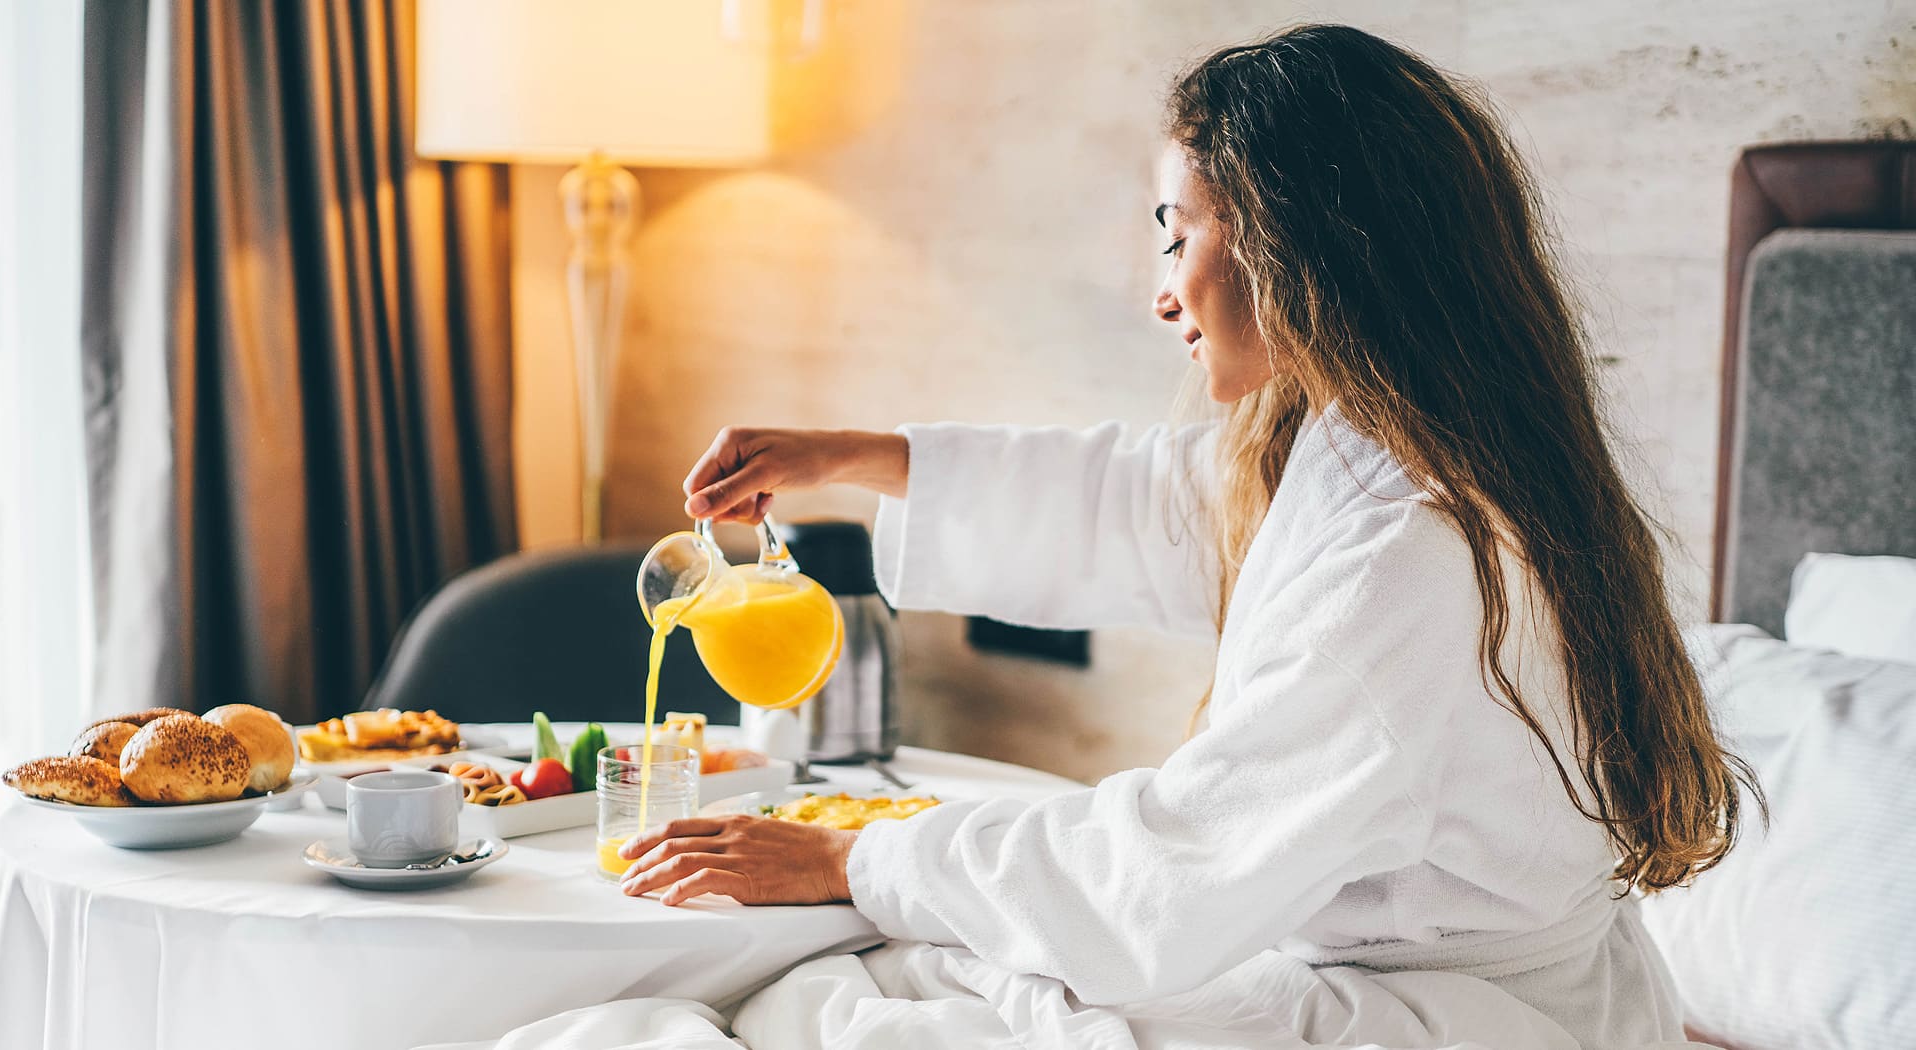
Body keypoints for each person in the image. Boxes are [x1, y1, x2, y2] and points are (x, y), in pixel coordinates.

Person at [614, 24, 1756, 1050]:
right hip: (1417, 985)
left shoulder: (1408, 557)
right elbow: (1150, 503)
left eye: (1176, 237)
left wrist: (857, 857)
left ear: (1298, 247)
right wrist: (851, 459)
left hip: (1448, 1021)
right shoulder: (1389, 447)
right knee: (860, 984)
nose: (1163, 294)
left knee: (820, 1004)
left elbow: (1167, 874)